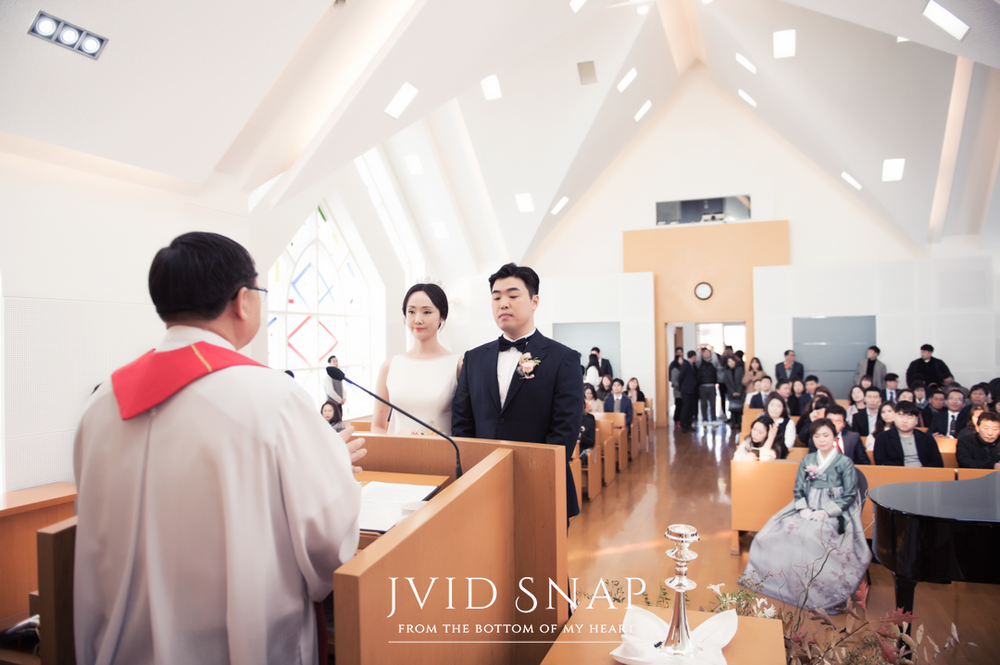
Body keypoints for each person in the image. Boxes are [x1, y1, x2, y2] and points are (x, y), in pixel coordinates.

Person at [73, 232, 366, 665]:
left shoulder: (102, 403)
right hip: (235, 646)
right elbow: (328, 543)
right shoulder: (272, 396)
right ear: (243, 300)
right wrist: (334, 462)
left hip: (122, 646)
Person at [452, 263, 582, 519]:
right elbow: (462, 421)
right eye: (496, 297)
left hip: (541, 485)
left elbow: (565, 429)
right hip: (481, 484)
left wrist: (536, 471)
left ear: (534, 301)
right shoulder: (474, 358)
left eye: (513, 296)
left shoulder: (562, 358)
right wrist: (472, 469)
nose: (503, 303)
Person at [745, 418, 871, 613]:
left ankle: (812, 593)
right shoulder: (808, 460)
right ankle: (781, 585)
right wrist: (803, 508)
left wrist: (826, 512)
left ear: (834, 437)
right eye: (817, 436)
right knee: (773, 530)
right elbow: (799, 488)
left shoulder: (845, 462)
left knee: (812, 535)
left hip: (835, 510)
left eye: (826, 435)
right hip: (808, 506)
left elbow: (849, 495)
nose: (821, 440)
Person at [372, 284, 461, 435]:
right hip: (397, 450)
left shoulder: (457, 365)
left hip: (442, 450)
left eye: (427, 312)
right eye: (411, 312)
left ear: (442, 316)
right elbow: (378, 426)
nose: (418, 320)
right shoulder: (390, 366)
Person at [873, 401, 944, 467]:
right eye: (901, 415)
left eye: (910, 416)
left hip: (924, 474)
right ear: (894, 417)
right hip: (896, 474)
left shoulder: (928, 438)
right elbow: (881, 462)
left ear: (916, 420)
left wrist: (920, 472)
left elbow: (937, 462)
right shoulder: (882, 438)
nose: (904, 420)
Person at [694, 344, 721, 424]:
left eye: (708, 352)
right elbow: (697, 360)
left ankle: (713, 419)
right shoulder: (700, 363)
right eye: (704, 352)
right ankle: (704, 420)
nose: (706, 353)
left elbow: (716, 360)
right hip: (702, 386)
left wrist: (712, 351)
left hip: (712, 386)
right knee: (703, 404)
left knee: (713, 404)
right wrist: (699, 350)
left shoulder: (713, 363)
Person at [720, 356, 745, 428]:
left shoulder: (740, 369)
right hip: (731, 392)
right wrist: (732, 392)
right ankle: (733, 423)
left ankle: (739, 423)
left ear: (735, 362)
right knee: (732, 408)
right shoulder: (726, 371)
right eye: (729, 362)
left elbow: (742, 381)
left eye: (732, 361)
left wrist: (739, 391)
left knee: (739, 408)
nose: (730, 363)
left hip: (740, 392)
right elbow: (727, 383)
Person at [677, 351, 699, 433]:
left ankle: (689, 424)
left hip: (692, 390)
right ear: (694, 356)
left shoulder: (692, 365)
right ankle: (683, 425)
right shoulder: (685, 365)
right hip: (686, 390)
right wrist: (681, 387)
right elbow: (680, 377)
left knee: (691, 408)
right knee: (685, 408)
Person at [669, 347, 685, 427]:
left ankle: (682, 419)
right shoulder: (674, 367)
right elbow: (673, 379)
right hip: (678, 390)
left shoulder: (684, 365)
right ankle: (677, 419)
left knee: (683, 405)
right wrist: (679, 386)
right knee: (678, 405)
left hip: (683, 389)